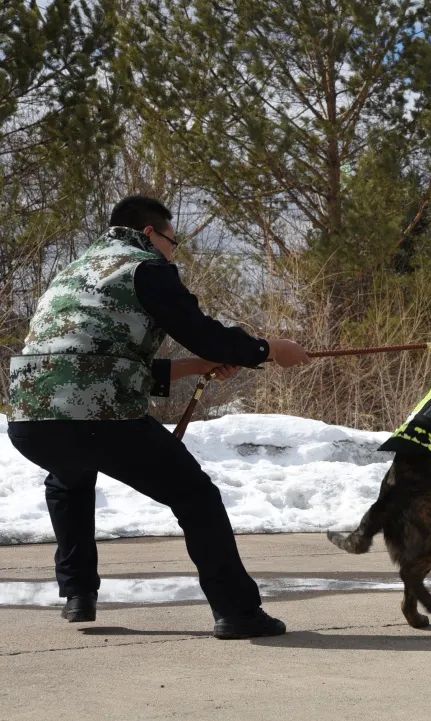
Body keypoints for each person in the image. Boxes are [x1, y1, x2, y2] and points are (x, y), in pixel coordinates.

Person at [7, 195, 311, 639]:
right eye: (174, 241)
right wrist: (268, 350)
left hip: (30, 417)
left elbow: (94, 362)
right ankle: (238, 612)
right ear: (150, 233)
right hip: (99, 417)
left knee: (68, 475)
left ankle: (78, 593)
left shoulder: (75, 272)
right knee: (196, 497)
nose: (174, 251)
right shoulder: (144, 267)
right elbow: (202, 331)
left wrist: (198, 366)